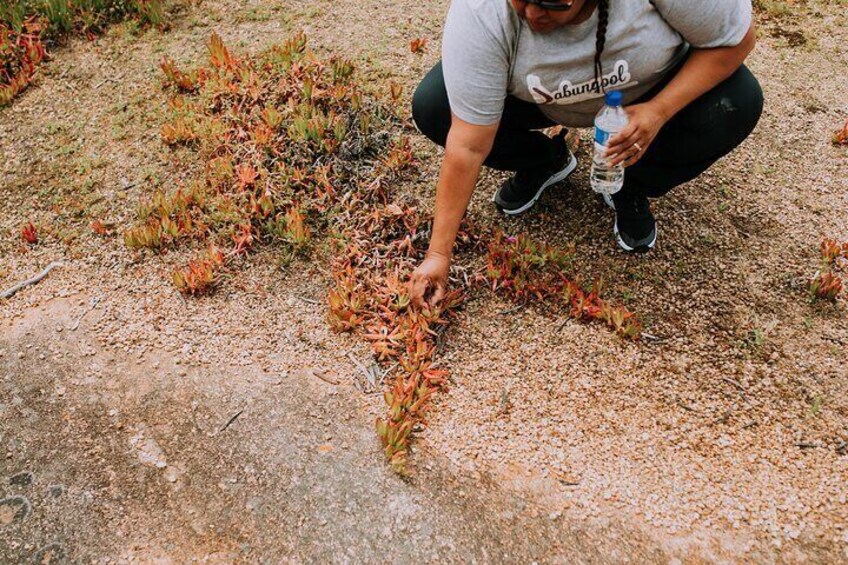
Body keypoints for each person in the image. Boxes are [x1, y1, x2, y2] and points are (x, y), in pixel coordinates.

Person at [408, 0, 763, 309]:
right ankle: (545, 160)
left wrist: (660, 110)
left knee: (737, 101)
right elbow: (468, 144)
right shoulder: (483, 9)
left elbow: (735, 42)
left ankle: (630, 184)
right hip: (537, 102)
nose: (532, 13)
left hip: (648, 93)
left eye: (553, 3)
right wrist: (438, 255)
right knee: (436, 107)